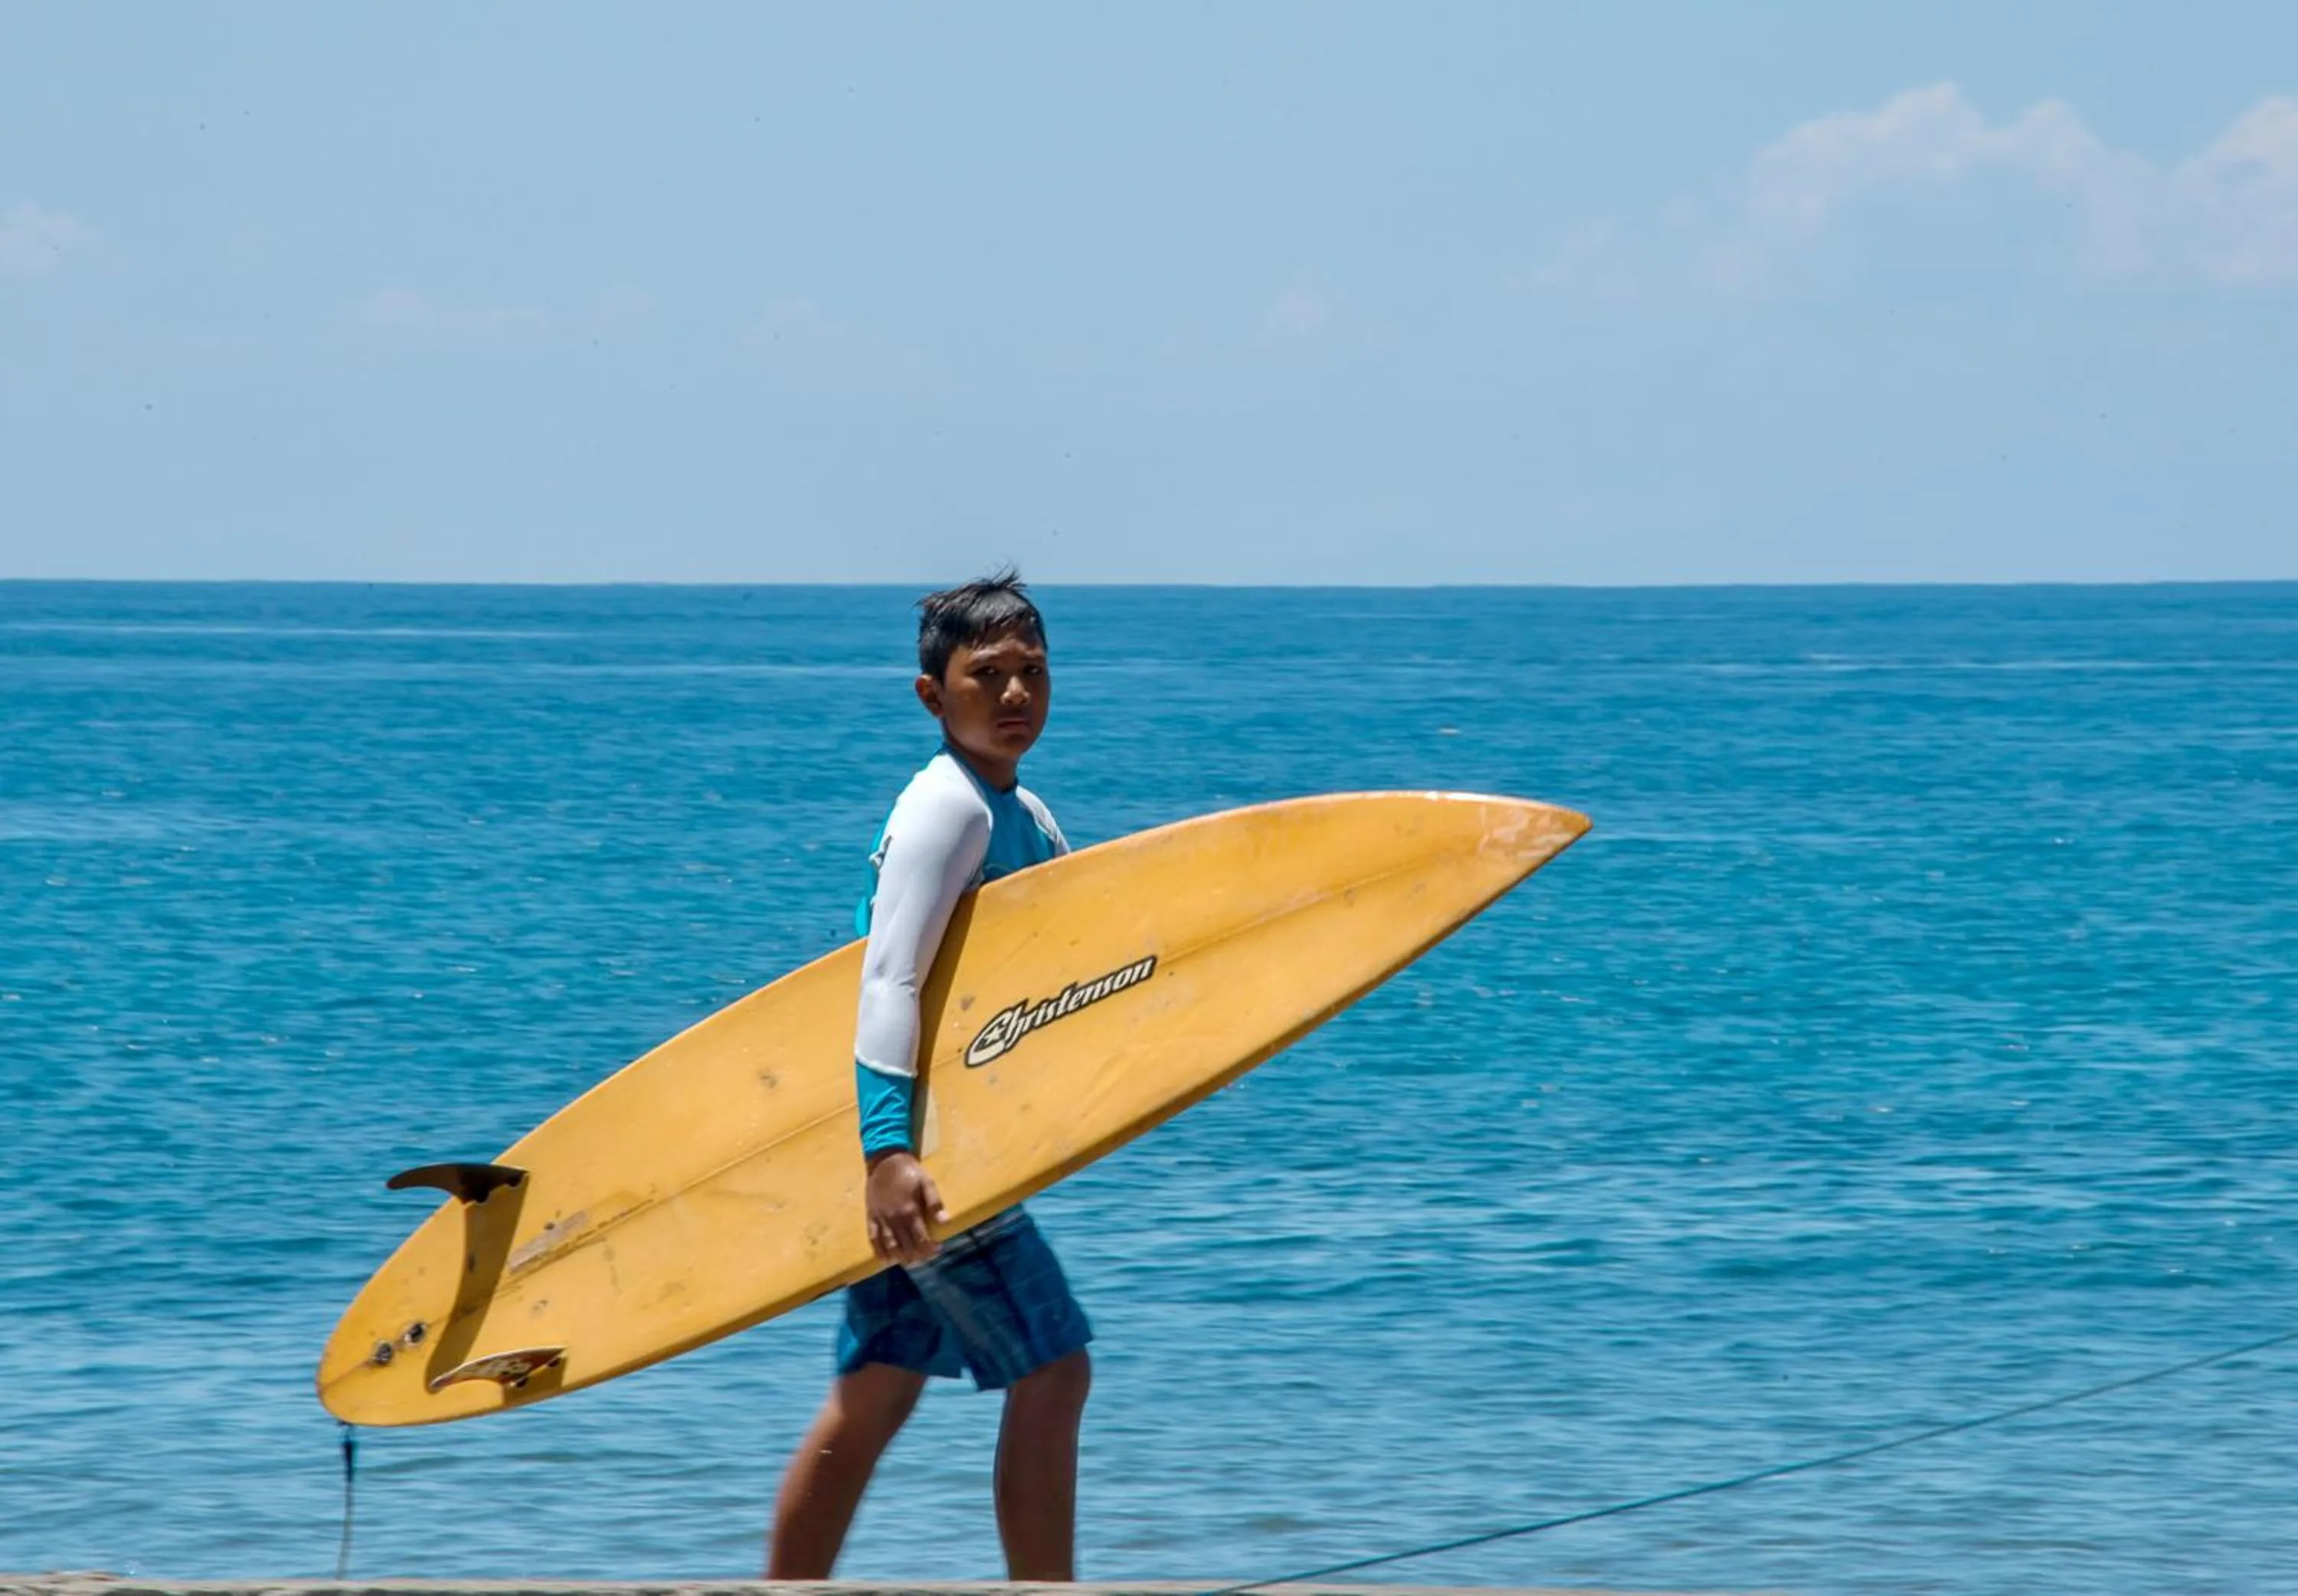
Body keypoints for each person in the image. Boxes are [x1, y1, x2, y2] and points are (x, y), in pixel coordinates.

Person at [767, 571, 1094, 1582]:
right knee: (1053, 1370)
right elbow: (890, 978)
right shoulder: (948, 809)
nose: (1014, 694)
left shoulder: (1023, 811)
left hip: (927, 1143)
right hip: (923, 1152)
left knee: (880, 1384)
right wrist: (887, 1154)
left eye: (1032, 671)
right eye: (985, 674)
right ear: (932, 695)